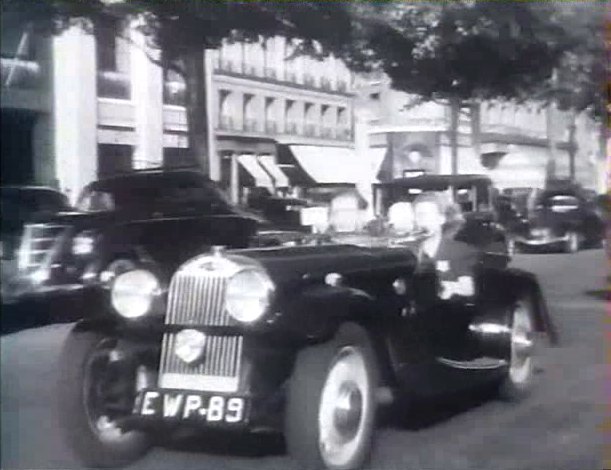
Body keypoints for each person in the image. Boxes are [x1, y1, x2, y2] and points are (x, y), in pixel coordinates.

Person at [412, 191, 480, 300]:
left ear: (441, 219)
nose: (420, 221)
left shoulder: (460, 250)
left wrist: (447, 288)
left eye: (424, 215)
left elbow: (469, 290)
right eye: (417, 215)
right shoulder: (410, 250)